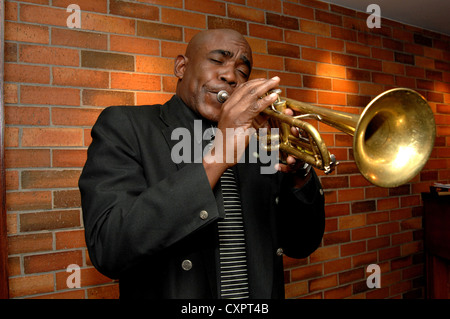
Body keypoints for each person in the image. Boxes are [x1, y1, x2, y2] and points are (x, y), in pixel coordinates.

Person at [79, 29, 325, 299]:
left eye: (242, 71)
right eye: (218, 61)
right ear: (182, 67)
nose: (230, 76)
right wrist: (216, 158)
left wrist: (299, 175)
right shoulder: (127, 126)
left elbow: (301, 244)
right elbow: (109, 248)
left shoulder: (259, 144)